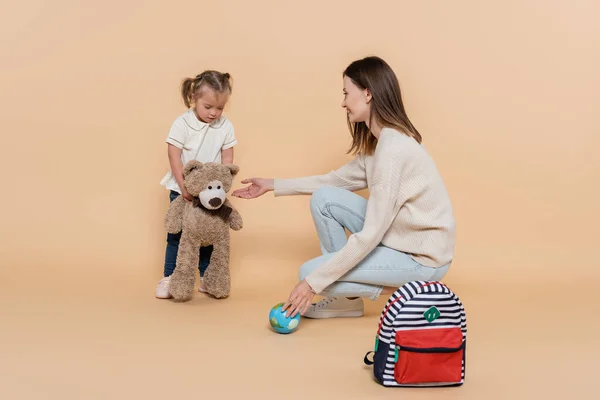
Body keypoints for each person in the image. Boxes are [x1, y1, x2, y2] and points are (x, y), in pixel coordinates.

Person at [232, 56, 455, 319]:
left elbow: (371, 233)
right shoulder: (380, 144)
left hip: (422, 258)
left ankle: (422, 289)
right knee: (324, 199)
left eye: (347, 93)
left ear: (368, 94)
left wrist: (313, 284)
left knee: (308, 272)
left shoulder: (393, 150)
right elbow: (332, 181)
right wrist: (272, 185)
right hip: (400, 237)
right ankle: (346, 301)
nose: (343, 102)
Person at [156, 70, 237, 299]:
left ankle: (206, 278)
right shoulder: (182, 123)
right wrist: (182, 186)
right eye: (208, 106)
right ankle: (169, 277)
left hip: (210, 193)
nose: (214, 113)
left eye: (219, 108)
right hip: (181, 188)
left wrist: (223, 185)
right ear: (194, 98)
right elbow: (174, 154)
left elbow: (228, 156)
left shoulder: (225, 126)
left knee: (209, 235)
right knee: (177, 234)